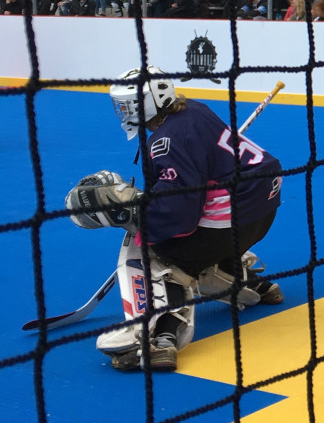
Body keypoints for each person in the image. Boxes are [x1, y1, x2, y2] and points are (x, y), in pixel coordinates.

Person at [65, 66, 283, 372]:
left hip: (229, 221)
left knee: (154, 251)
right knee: (195, 240)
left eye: (128, 105)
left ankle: (160, 337)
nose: (123, 112)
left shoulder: (166, 141)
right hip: (262, 211)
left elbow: (179, 215)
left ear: (150, 101)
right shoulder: (193, 109)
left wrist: (137, 217)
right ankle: (249, 282)